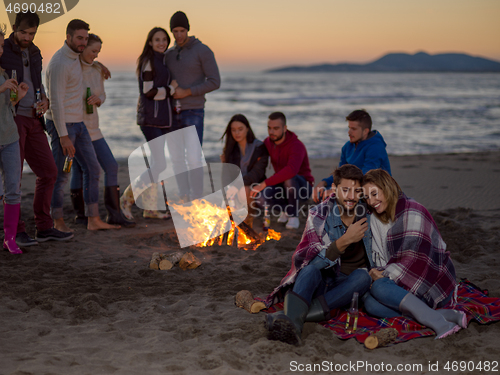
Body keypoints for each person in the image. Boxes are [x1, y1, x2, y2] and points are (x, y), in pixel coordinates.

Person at [264, 164, 373, 345]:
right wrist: (345, 240)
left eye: (356, 191)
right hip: (320, 281)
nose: (351, 196)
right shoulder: (319, 214)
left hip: (346, 287)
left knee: (363, 277)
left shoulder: (367, 215)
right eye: (345, 190)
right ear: (334, 189)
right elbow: (312, 262)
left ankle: (288, 318)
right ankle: (295, 327)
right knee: (309, 271)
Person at [362, 169, 466, 339]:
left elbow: (416, 260)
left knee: (380, 286)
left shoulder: (413, 211)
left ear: (386, 187)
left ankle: (440, 323)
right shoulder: (375, 218)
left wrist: (382, 276)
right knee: (370, 305)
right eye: (367, 197)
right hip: (406, 285)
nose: (371, 201)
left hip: (434, 285)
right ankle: (447, 315)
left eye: (374, 193)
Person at [0, 11, 73, 245]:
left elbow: (36, 82)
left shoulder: (35, 52)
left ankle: (44, 227)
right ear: (14, 28)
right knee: (15, 179)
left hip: (35, 118)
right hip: (13, 121)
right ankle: (17, 231)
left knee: (49, 172)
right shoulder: (3, 50)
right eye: (23, 32)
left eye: (32, 33)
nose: (28, 37)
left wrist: (46, 101)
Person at [45, 19, 119, 231]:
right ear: (68, 37)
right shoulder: (60, 63)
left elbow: (89, 61)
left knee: (93, 169)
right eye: (79, 38)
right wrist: (63, 135)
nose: (82, 42)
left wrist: (98, 64)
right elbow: (57, 103)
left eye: (85, 39)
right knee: (61, 174)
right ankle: (58, 222)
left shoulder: (77, 57)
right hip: (64, 126)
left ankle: (93, 219)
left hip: (79, 123)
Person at [69, 33, 135, 228]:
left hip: (94, 128)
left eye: (98, 52)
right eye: (93, 51)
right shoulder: (72, 68)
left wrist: (99, 100)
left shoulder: (98, 69)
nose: (96, 55)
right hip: (77, 128)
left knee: (111, 166)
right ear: (82, 48)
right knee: (79, 170)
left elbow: (103, 94)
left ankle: (113, 214)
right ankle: (81, 215)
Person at [120, 27, 177, 220]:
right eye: (157, 40)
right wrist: (171, 89)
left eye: (164, 39)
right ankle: (126, 200)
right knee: (159, 164)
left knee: (156, 164)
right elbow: (148, 92)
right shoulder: (148, 61)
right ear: (150, 43)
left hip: (161, 119)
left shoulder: (162, 60)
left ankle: (150, 209)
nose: (161, 43)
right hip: (150, 119)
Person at [165, 11, 220, 201]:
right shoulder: (169, 54)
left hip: (194, 110)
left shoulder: (202, 50)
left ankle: (197, 196)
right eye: (175, 31)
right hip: (171, 113)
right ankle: (184, 195)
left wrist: (187, 92)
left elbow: (215, 81)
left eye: (182, 30)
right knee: (177, 159)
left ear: (187, 29)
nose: (178, 35)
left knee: (195, 159)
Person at [250, 112, 314, 229]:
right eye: (269, 128)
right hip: (283, 187)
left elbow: (291, 170)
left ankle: (293, 215)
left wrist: (264, 183)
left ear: (285, 128)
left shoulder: (296, 145)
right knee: (260, 199)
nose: (271, 132)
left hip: (303, 188)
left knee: (289, 177)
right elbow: (256, 158)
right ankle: (287, 209)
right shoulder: (268, 142)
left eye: (276, 128)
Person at [312, 109, 391, 203]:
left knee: (334, 198)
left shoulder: (375, 147)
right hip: (354, 187)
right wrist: (323, 183)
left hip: (375, 189)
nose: (349, 132)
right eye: (349, 128)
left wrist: (338, 191)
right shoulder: (347, 147)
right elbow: (341, 173)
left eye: (353, 129)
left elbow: (367, 176)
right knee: (322, 194)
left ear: (365, 131)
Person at [0, 26, 29, 253]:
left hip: (9, 137)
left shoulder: (2, 71)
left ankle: (10, 238)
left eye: (1, 46)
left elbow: (7, 107)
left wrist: (17, 96)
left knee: (13, 188)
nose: (1, 50)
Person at [220, 114, 268, 227]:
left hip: (256, 186)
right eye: (234, 130)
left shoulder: (259, 147)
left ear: (247, 128)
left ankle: (249, 219)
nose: (237, 133)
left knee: (245, 189)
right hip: (236, 188)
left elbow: (257, 173)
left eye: (240, 129)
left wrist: (236, 186)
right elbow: (226, 177)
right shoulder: (230, 150)